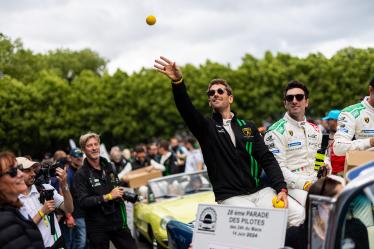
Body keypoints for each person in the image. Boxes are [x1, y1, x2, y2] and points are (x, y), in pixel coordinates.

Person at [154, 56, 304, 226]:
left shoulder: (248, 126)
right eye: (211, 93)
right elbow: (186, 109)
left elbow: (267, 159)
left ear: (230, 98)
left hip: (261, 191)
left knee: (297, 214)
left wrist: (281, 188)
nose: (215, 94)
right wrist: (178, 83)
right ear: (210, 102)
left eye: (220, 91)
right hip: (231, 197)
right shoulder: (205, 128)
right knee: (258, 224)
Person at [264, 81, 323, 206]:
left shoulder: (315, 129)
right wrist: (305, 184)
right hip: (293, 186)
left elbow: (322, 157)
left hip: (316, 181)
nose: (294, 101)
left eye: (299, 97)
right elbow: (277, 169)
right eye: (290, 98)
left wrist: (326, 166)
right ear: (285, 103)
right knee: (319, 205)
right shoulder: (275, 131)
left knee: (348, 196)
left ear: (306, 102)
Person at [74, 132, 136, 249]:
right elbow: (83, 202)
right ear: (83, 149)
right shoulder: (81, 174)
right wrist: (108, 196)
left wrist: (122, 195)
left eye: (96, 144)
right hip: (97, 226)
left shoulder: (109, 166)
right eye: (89, 145)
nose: (94, 148)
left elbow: (115, 188)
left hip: (117, 220)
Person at [285, 175, 368, 249]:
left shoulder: (356, 229)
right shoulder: (293, 237)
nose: (345, 204)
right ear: (318, 204)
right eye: (339, 200)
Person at [18, 156, 74, 248]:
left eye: (33, 170)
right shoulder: (13, 200)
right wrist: (42, 212)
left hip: (57, 243)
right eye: (28, 170)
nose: (33, 174)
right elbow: (22, 230)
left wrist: (64, 185)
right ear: (17, 173)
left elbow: (69, 208)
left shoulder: (45, 188)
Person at [0, 151, 44, 249]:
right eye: (13, 171)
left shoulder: (15, 209)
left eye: (19, 169)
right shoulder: (4, 220)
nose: (21, 175)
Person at [334, 77, 374, 155]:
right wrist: (370, 142)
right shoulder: (350, 113)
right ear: (371, 89)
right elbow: (338, 148)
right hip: (363, 165)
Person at [60, 148, 86, 249]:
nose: (79, 159)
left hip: (82, 212)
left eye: (80, 157)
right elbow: (63, 193)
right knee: (79, 241)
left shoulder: (81, 171)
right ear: (70, 158)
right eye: (76, 157)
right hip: (75, 214)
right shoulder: (69, 173)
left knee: (78, 241)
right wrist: (68, 215)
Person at [322, 110, 345, 176]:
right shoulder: (325, 138)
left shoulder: (347, 138)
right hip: (328, 175)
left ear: (335, 121)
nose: (327, 122)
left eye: (329, 120)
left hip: (342, 175)